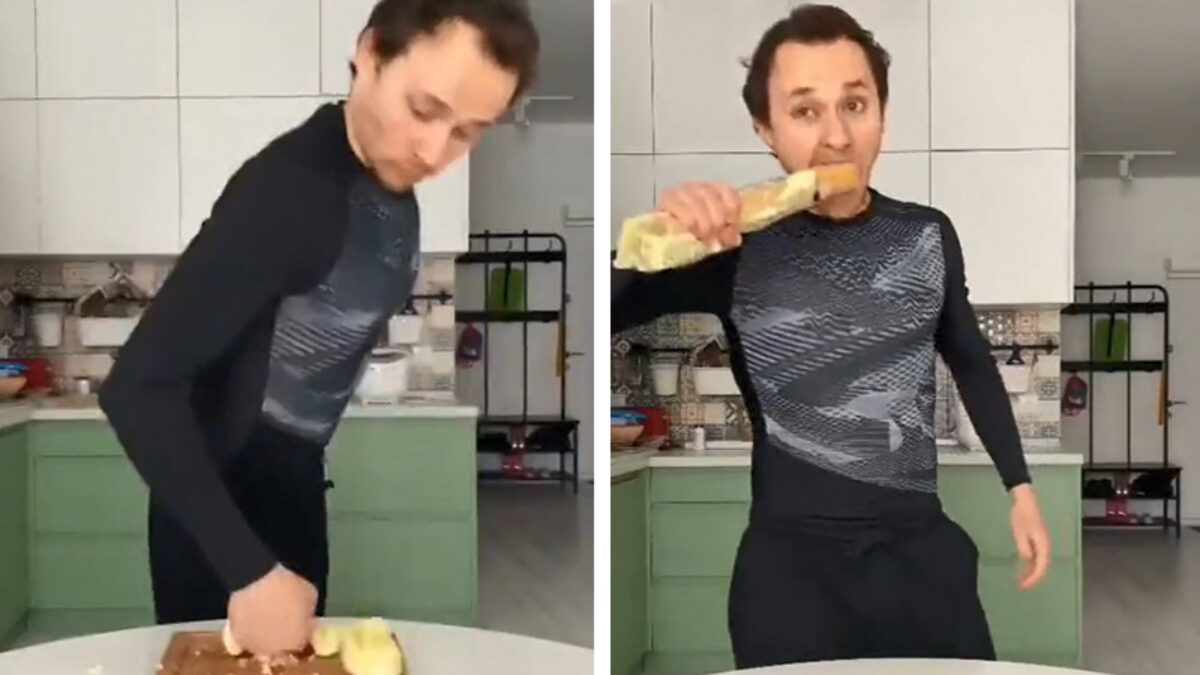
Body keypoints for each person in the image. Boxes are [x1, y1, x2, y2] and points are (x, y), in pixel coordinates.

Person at [612, 4, 1051, 668]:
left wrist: (1020, 488)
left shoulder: (927, 235)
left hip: (919, 559)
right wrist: (652, 240)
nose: (837, 136)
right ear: (767, 130)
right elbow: (610, 310)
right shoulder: (731, 247)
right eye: (805, 111)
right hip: (791, 575)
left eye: (855, 104)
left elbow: (969, 356)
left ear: (882, 114)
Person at [98, 0, 538, 658]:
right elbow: (136, 388)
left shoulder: (382, 181)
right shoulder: (291, 190)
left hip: (294, 487)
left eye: (467, 132)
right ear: (370, 53)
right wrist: (248, 569)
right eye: (423, 109)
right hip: (224, 517)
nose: (433, 151)